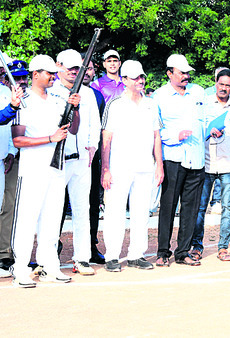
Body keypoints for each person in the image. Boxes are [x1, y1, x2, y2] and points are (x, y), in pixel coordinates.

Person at [11, 55, 80, 287]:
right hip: (32, 169)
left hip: (56, 168)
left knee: (51, 219)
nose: (52, 76)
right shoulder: (23, 101)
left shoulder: (58, 100)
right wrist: (50, 138)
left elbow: (73, 129)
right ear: (35, 74)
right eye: (48, 73)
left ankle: (49, 265)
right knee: (26, 220)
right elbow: (18, 140)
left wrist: (76, 108)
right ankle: (20, 268)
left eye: (53, 72)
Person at [101, 60, 163, 272]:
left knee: (141, 212)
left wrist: (159, 166)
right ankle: (112, 256)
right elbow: (106, 138)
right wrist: (105, 169)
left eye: (142, 77)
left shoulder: (151, 104)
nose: (140, 81)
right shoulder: (115, 104)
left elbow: (157, 136)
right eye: (135, 77)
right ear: (124, 80)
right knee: (115, 212)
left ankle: (137, 254)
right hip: (119, 168)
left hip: (145, 167)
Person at [51, 49, 101, 276]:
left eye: (76, 67)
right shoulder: (50, 93)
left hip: (82, 159)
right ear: (58, 66)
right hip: (58, 159)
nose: (73, 71)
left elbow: (94, 125)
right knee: (52, 210)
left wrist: (92, 147)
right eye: (69, 67)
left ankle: (81, 258)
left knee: (82, 210)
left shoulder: (88, 93)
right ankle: (48, 257)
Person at [154, 54, 205, 267]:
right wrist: (175, 137)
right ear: (169, 73)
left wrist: (211, 130)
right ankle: (163, 251)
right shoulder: (159, 96)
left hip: (196, 157)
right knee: (168, 206)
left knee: (191, 207)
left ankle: (183, 251)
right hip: (172, 157)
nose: (186, 76)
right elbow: (156, 130)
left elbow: (205, 120)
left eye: (187, 72)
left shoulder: (198, 92)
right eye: (181, 72)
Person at [192, 68, 230, 262]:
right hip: (205, 163)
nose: (224, 88)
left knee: (228, 207)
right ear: (215, 83)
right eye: (221, 84)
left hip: (228, 164)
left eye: (228, 85)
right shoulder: (205, 103)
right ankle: (196, 246)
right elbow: (198, 128)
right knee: (200, 207)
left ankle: (223, 248)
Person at [0, 59, 26, 275]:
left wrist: (12, 106)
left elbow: (3, 119)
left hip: (3, 157)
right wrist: (12, 107)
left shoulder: (4, 91)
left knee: (5, 205)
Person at [84, 58, 107, 264]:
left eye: (90, 68)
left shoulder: (98, 96)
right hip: (66, 158)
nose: (86, 72)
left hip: (92, 158)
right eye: (83, 68)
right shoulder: (58, 94)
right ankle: (55, 246)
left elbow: (101, 129)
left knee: (92, 204)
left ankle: (91, 245)